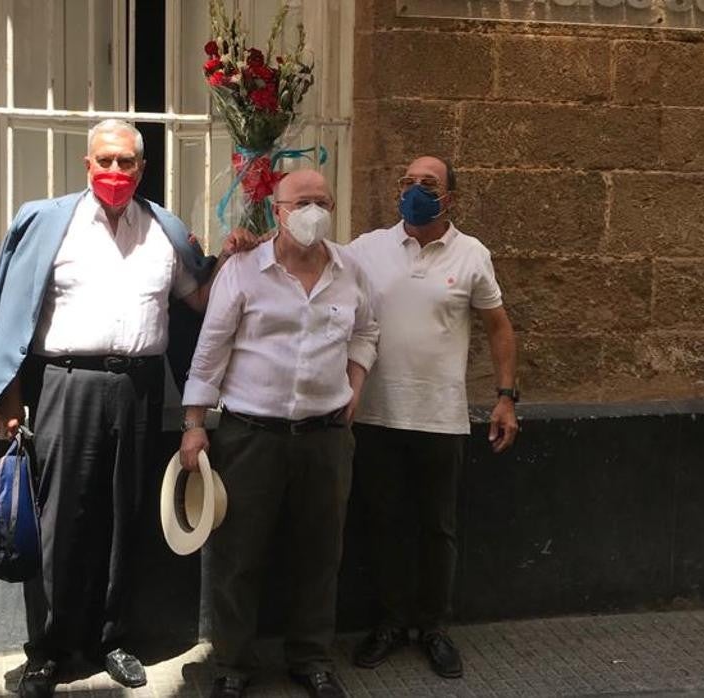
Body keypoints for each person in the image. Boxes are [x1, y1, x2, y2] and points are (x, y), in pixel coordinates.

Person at [0, 119, 252, 698]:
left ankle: (112, 639)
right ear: (87, 164)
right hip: (63, 384)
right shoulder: (48, 223)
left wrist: (229, 257)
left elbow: (198, 299)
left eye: (126, 162)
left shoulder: (164, 231)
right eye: (105, 161)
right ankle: (48, 650)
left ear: (142, 169)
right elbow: (7, 308)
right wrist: (7, 396)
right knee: (59, 521)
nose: (115, 172)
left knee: (124, 517)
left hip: (138, 388)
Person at [179, 170, 379, 698]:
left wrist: (355, 383)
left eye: (322, 201)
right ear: (277, 211)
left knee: (319, 553)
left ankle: (311, 657)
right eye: (301, 201)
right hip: (250, 435)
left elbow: (366, 331)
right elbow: (211, 350)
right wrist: (195, 425)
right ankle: (232, 664)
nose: (313, 211)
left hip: (326, 436)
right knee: (239, 554)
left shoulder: (350, 269)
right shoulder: (244, 270)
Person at [344, 155, 519, 679]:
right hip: (375, 414)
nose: (415, 191)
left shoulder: (471, 255)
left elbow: (499, 328)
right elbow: (310, 264)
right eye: (408, 182)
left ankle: (434, 628)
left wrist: (506, 396)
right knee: (384, 524)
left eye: (428, 184)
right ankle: (391, 623)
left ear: (450, 198)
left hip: (440, 418)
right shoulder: (367, 249)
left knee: (436, 527)